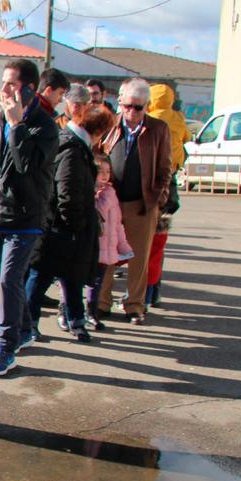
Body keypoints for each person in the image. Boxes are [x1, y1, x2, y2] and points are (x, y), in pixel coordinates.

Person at [0, 58, 60, 376]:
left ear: (30, 88)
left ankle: (5, 347)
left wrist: (17, 126)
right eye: (4, 82)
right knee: (6, 282)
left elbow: (27, 165)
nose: (4, 89)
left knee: (11, 280)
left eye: (11, 83)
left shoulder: (44, 126)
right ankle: (24, 328)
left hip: (25, 218)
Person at [25, 92, 114, 343]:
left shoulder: (72, 144)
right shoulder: (73, 149)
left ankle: (74, 319)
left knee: (70, 276)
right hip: (60, 227)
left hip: (62, 225)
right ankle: (29, 323)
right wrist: (75, 225)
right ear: (100, 131)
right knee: (41, 275)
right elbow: (68, 190)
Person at [96, 77, 172, 324]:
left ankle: (135, 306)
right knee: (106, 253)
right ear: (120, 102)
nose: (132, 112)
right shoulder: (109, 125)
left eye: (138, 107)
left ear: (147, 106)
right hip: (110, 202)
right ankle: (101, 302)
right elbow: (96, 157)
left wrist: (157, 200)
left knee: (139, 258)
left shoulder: (158, 129)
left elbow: (164, 169)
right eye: (128, 105)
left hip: (142, 203)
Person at [146, 82, 189, 304]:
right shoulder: (178, 118)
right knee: (159, 242)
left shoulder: (150, 120)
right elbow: (188, 138)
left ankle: (142, 294)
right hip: (169, 183)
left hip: (150, 185)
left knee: (146, 245)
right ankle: (154, 293)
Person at [87, 155, 134, 330]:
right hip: (93, 245)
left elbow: (117, 223)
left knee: (97, 281)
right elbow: (98, 210)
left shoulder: (111, 192)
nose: (105, 175)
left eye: (108, 171)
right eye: (101, 172)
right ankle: (75, 311)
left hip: (108, 246)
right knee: (85, 280)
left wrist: (123, 245)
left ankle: (92, 312)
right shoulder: (93, 193)